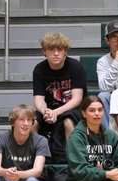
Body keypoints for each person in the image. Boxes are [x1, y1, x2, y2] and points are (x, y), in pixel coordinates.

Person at [32, 32, 85, 163]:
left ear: (65, 51)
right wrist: (46, 112)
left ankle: (73, 161)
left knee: (68, 121)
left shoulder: (75, 67)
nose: (56, 53)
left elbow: (77, 99)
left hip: (72, 109)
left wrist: (56, 112)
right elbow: (39, 100)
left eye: (59, 49)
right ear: (44, 51)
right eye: (51, 49)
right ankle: (36, 160)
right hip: (49, 111)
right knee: (31, 123)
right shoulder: (39, 69)